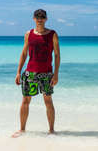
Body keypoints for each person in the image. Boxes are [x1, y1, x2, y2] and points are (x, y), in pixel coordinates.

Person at [11, 9, 61, 138]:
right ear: (33, 18)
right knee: (25, 101)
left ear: (46, 19)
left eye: (42, 17)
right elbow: (24, 53)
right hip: (30, 74)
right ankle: (22, 130)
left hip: (46, 74)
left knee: (48, 101)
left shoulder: (52, 34)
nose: (40, 19)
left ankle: (51, 131)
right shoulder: (28, 34)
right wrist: (18, 72)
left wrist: (56, 74)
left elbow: (57, 55)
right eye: (37, 17)